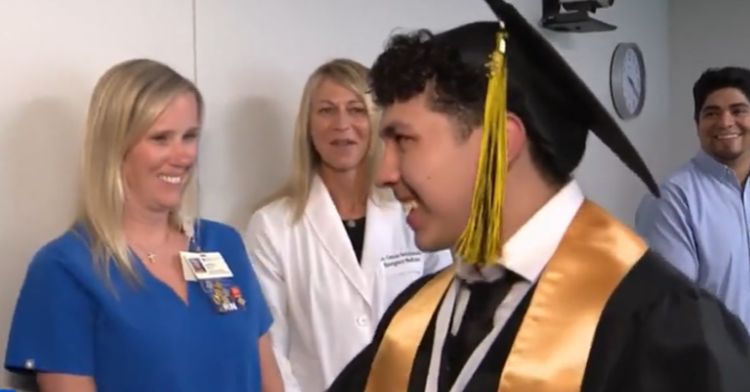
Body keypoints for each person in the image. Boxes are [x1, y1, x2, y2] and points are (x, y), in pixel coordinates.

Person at [328, 1, 750, 391]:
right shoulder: (414, 318)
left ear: (502, 143)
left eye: (403, 139)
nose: (384, 173)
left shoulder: (663, 327)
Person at [4, 59, 283, 392]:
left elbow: (270, 381)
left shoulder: (223, 245)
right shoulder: (65, 270)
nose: (182, 156)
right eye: (161, 138)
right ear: (115, 147)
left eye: (189, 136)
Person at [245, 58, 451, 392]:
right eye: (326, 111)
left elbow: (442, 320)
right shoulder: (272, 226)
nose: (342, 124)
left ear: (376, 120)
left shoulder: (414, 214)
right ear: (308, 126)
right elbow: (270, 348)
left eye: (356, 109)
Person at [635, 66, 750, 332]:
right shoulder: (671, 198)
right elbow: (672, 309)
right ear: (697, 124)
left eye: (738, 110)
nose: (725, 122)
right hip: (715, 368)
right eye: (711, 113)